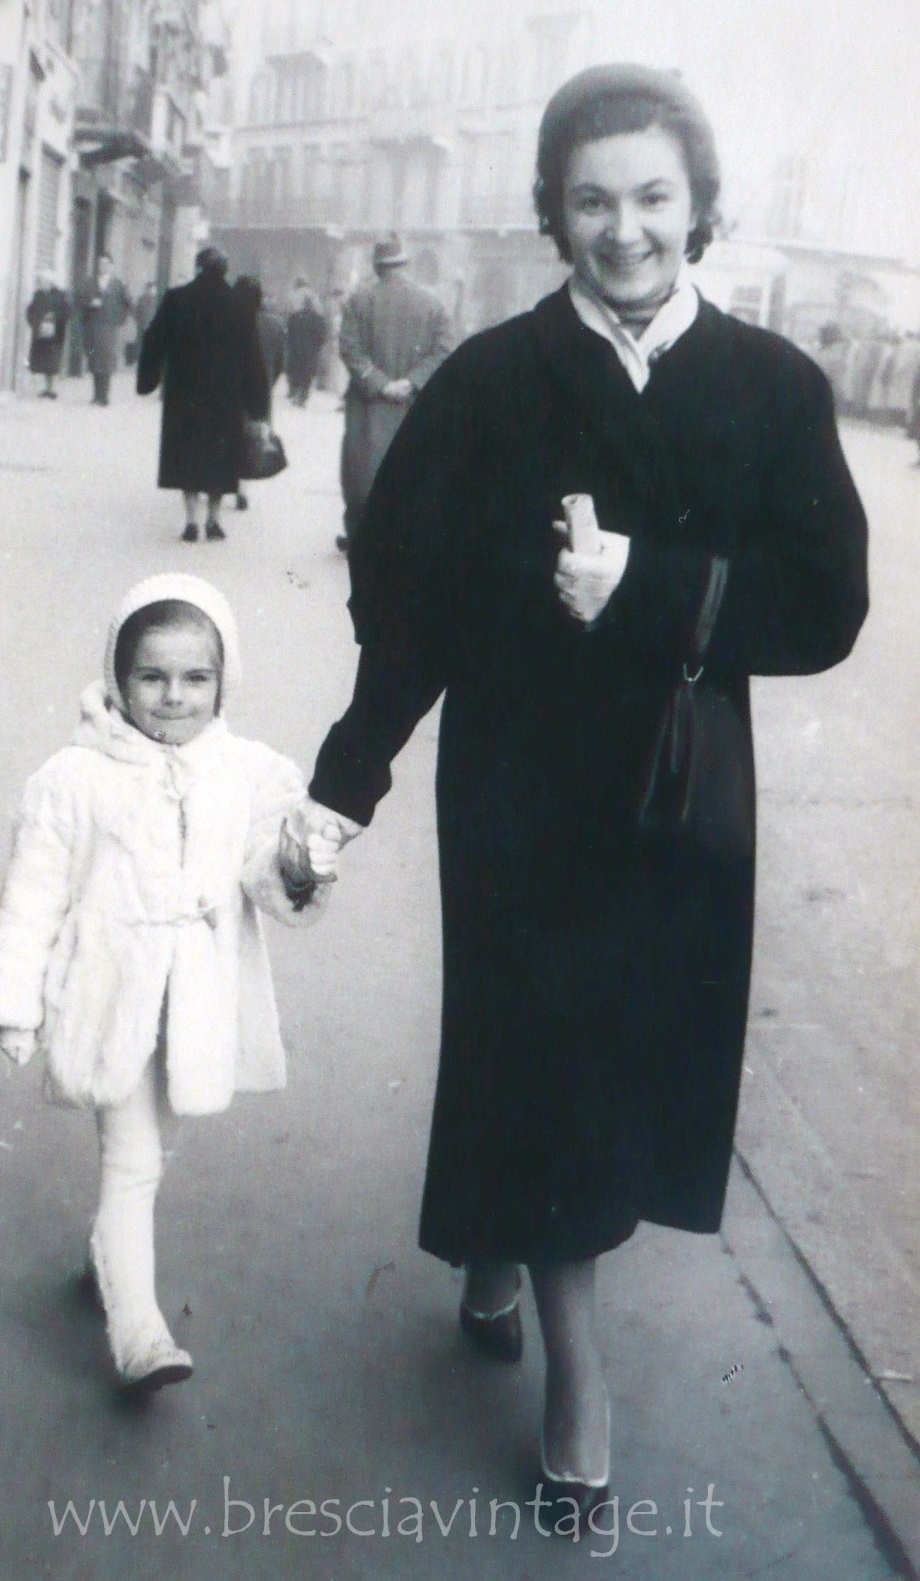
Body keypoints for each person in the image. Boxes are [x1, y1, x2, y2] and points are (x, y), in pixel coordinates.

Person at [295, 64, 868, 1516]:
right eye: (595, 199)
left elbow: (828, 604)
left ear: (701, 209)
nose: (626, 229)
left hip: (681, 790)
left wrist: (654, 589)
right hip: (520, 787)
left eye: (654, 198)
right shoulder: (489, 383)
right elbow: (404, 595)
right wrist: (343, 782)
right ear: (555, 211)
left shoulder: (775, 388)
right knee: (545, 1051)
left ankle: (498, 1243)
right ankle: (579, 1379)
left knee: (601, 1072)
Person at [0, 573, 341, 1392]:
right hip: (110, 998)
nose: (173, 697)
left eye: (195, 678)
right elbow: (32, 893)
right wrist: (12, 1001)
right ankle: (138, 1331)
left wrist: (299, 864)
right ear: (118, 676)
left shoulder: (246, 771)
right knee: (133, 1158)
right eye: (151, 676)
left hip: (195, 1001)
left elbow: (271, 866)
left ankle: (107, 1245)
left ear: (222, 680)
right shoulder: (73, 777)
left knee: (151, 1147)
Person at [137, 247, 270, 542]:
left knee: (188, 454)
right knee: (219, 458)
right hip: (226, 398)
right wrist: (258, 403)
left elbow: (154, 340)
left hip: (185, 394)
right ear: (224, 271)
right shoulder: (239, 306)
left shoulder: (176, 299)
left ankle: (190, 521)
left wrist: (149, 379)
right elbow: (253, 358)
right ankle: (214, 520)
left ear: (198, 268)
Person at [336, 232, 452, 553]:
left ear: (376, 266)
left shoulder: (358, 301)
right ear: (405, 263)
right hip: (414, 403)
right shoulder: (432, 304)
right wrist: (411, 382)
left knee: (362, 470)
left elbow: (349, 348)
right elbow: (443, 351)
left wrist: (380, 382)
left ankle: (359, 534)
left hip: (368, 402)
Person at [230, 275, 286, 511]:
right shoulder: (274, 324)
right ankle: (243, 490)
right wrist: (268, 383)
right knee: (252, 439)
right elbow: (281, 361)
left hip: (229, 390)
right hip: (260, 390)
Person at [80, 252, 131, 405]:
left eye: (106, 264)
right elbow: (81, 301)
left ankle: (104, 396)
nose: (103, 267)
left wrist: (119, 320)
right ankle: (96, 395)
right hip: (94, 327)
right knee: (95, 360)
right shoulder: (90, 282)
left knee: (107, 361)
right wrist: (90, 304)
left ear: (111, 266)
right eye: (100, 264)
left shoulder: (118, 284)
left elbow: (127, 304)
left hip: (109, 328)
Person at [25, 271, 72, 398]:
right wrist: (36, 323)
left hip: (55, 334)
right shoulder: (37, 295)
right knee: (43, 362)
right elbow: (30, 311)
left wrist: (55, 317)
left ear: (50, 282)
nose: (41, 284)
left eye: (44, 282)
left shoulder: (60, 295)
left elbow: (67, 312)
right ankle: (46, 388)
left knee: (52, 362)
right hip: (41, 334)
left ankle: (51, 389)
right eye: (40, 282)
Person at [285, 281, 327, 406]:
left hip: (295, 350)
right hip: (310, 352)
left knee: (295, 371)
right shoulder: (317, 319)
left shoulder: (294, 317)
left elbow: (289, 334)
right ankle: (302, 396)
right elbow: (322, 336)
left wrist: (291, 346)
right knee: (307, 374)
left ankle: (294, 392)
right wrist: (316, 347)